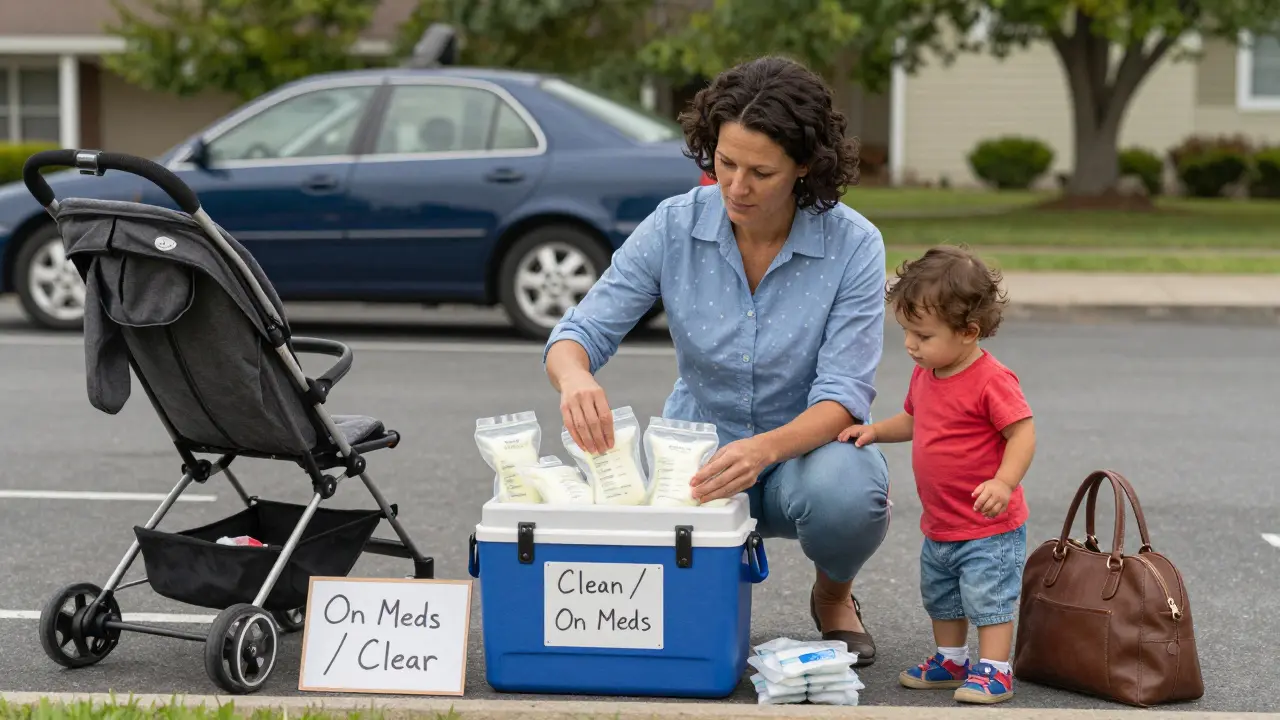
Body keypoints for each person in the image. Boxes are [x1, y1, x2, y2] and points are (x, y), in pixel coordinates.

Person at [542, 55, 890, 667]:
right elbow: (580, 331)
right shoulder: (674, 224)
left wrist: (762, 451)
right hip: (695, 454)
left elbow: (843, 397)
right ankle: (710, 597)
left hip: (805, 455)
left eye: (761, 171)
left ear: (805, 166)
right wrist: (573, 377)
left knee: (850, 493)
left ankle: (834, 595)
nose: (735, 186)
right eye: (724, 163)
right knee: (678, 630)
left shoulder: (854, 244)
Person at [837, 245, 1036, 704]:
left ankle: (995, 670)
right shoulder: (927, 373)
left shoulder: (991, 380)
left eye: (922, 335)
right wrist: (873, 431)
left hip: (989, 525)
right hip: (943, 522)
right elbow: (913, 420)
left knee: (988, 597)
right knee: (942, 594)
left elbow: (1022, 434)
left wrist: (1003, 483)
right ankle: (952, 659)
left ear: (969, 332)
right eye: (906, 331)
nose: (910, 344)